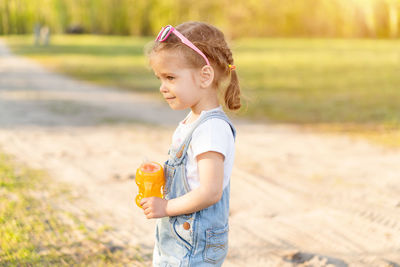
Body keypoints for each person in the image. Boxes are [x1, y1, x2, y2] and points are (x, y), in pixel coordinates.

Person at [141, 21, 241, 266]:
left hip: (193, 242)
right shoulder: (194, 120)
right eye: (160, 78)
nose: (162, 87)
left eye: (170, 77)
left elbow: (210, 191)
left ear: (204, 76)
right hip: (180, 237)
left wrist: (166, 207)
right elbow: (191, 175)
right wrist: (162, 173)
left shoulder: (211, 129)